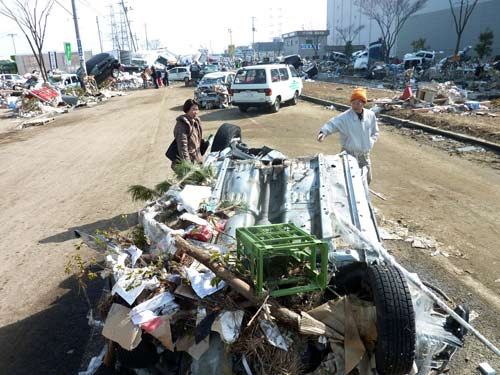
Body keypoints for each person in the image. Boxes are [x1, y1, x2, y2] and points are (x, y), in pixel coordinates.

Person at [317, 88, 379, 184]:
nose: (355, 105)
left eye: (358, 103)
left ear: (363, 103)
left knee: (367, 179)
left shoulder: (370, 115)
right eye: (353, 102)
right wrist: (323, 132)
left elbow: (375, 132)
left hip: (364, 154)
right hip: (348, 153)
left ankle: (363, 198)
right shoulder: (345, 117)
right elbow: (333, 124)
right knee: (346, 180)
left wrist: (370, 142)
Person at [173, 99, 203, 166]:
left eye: (197, 109)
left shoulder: (196, 122)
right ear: (187, 109)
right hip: (190, 161)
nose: (196, 112)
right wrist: (188, 166)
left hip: (197, 159)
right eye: (193, 109)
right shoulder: (182, 125)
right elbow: (183, 147)